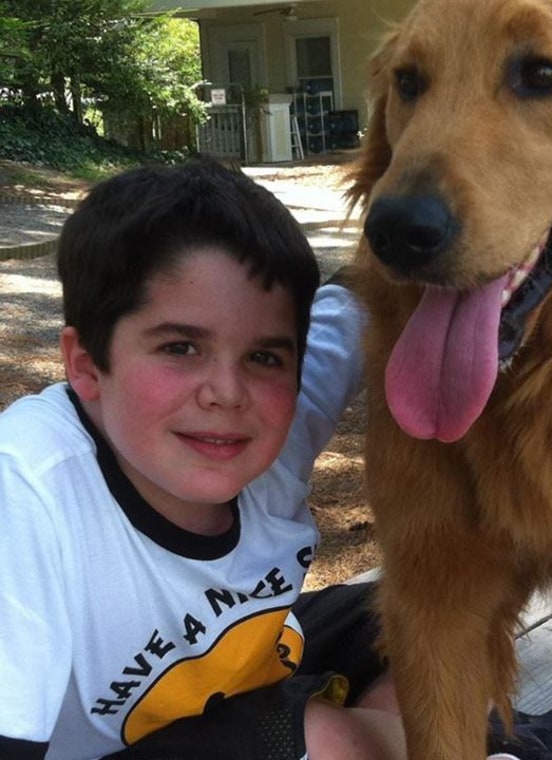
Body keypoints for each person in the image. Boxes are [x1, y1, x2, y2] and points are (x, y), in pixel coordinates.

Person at [0, 160, 406, 760]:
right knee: (317, 738)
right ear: (85, 363)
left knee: (436, 620)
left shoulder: (272, 418)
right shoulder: (28, 488)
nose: (227, 391)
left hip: (246, 678)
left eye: (264, 357)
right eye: (180, 347)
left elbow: (352, 302)